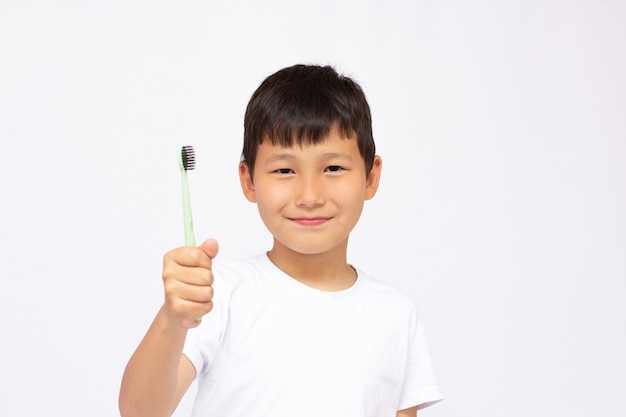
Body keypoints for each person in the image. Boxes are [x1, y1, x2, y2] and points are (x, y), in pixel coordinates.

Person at [119, 64, 443, 417]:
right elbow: (140, 412)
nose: (309, 195)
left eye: (333, 168)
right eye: (284, 170)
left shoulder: (396, 315)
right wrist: (172, 319)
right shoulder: (217, 295)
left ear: (370, 176)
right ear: (249, 180)